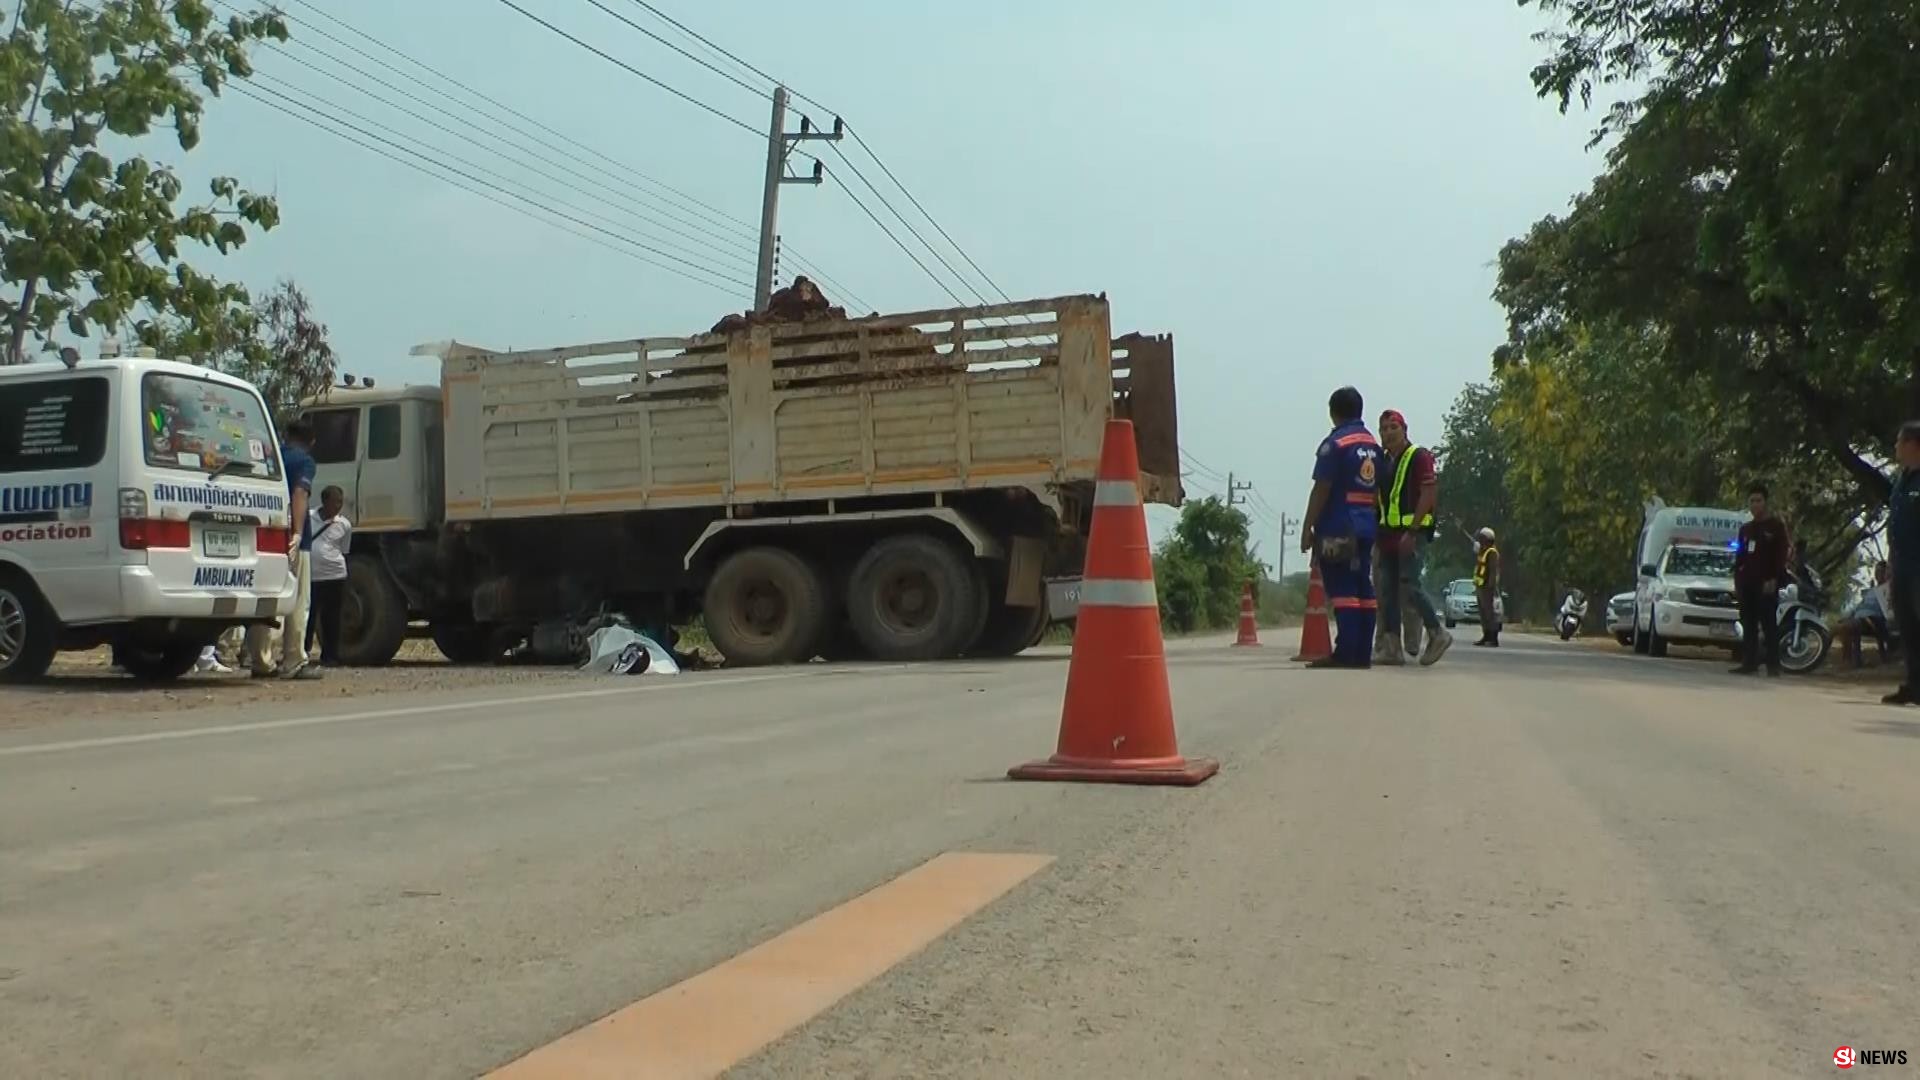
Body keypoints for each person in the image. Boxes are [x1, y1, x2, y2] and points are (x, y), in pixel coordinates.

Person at [1300, 386, 1380, 669]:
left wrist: (1308, 526)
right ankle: (1362, 653)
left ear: (1333, 412)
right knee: (1364, 589)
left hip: (1338, 526)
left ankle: (1345, 652)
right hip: (1367, 524)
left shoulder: (1335, 444)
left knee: (1343, 589)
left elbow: (1322, 488)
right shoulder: (1372, 445)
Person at [1373, 409, 1451, 667]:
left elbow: (1429, 492)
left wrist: (1414, 530)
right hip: (1387, 536)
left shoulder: (1419, 456)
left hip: (1410, 535)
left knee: (1409, 586)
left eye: (1393, 427)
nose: (1388, 433)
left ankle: (1437, 632)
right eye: (1383, 429)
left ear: (1404, 429)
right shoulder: (1384, 462)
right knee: (1388, 592)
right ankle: (1392, 646)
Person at [245, 417, 322, 679]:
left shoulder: (270, 457)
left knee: (269, 600)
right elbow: (300, 493)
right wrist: (298, 534)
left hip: (265, 534)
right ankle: (293, 660)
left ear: (286, 435)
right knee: (299, 602)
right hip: (293, 540)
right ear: (311, 442)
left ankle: (261, 660)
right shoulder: (304, 462)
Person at [1731, 482, 1791, 677]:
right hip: (1747, 583)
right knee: (1749, 624)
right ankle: (1749, 662)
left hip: (1766, 583)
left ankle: (1773, 665)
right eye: (1752, 501)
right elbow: (1739, 555)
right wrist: (1737, 578)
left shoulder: (1775, 527)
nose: (1755, 505)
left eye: (1759, 500)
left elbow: (1781, 555)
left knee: (1768, 624)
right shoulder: (1745, 530)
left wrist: (1773, 578)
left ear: (1765, 502)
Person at [1885, 423, 1920, 705]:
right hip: (1901, 565)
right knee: (1908, 628)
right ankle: (1914, 685)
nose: (1895, 446)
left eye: (1898, 441)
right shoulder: (1901, 480)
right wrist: (1890, 562)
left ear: (1912, 443)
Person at [307, 486, 352, 669]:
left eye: (341, 502)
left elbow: (344, 550)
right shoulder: (308, 517)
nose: (338, 506)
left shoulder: (344, 525)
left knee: (332, 618)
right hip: (311, 576)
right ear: (325, 501)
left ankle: (331, 656)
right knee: (308, 617)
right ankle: (302, 653)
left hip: (335, 576)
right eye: (335, 501)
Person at [1838, 561, 1892, 669]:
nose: (1877, 574)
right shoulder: (1871, 590)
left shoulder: (1888, 589)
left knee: (1852, 625)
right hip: (1860, 617)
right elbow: (1860, 604)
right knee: (1841, 626)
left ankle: (1849, 661)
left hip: (1874, 620)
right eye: (1876, 571)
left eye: (1881, 571)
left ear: (1886, 573)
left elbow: (1889, 610)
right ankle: (1846, 659)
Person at [1473, 527, 1503, 647]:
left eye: (1482, 538)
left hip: (1487, 587)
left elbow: (1493, 571)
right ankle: (1486, 636)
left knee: (1489, 614)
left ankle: (1493, 638)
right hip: (1480, 586)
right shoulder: (1483, 551)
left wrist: (1492, 586)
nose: (1480, 540)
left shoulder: (1492, 553)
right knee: (1483, 614)